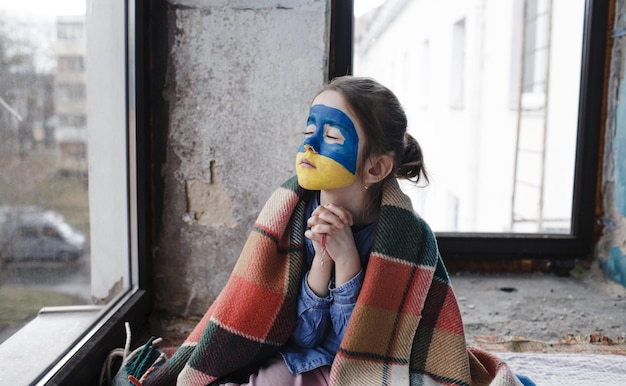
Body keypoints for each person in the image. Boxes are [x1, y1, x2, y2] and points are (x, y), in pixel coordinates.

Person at [111, 76, 528, 386]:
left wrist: (348, 263)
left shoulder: (408, 239)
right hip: (294, 359)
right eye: (308, 131)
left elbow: (366, 348)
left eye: (330, 135)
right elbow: (292, 332)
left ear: (375, 168)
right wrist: (320, 267)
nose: (309, 145)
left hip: (363, 368)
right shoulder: (289, 213)